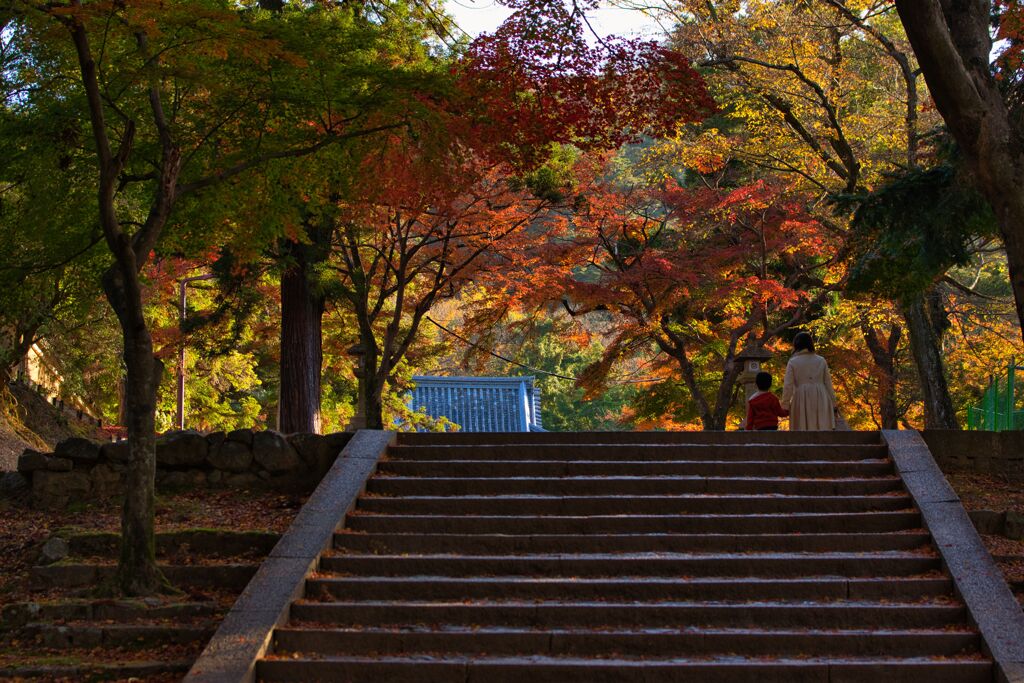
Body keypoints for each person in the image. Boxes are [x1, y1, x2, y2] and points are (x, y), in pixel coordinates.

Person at [781, 332, 838, 430]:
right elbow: (828, 383)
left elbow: (788, 386)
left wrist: (785, 405)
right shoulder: (821, 360)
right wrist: (833, 403)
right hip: (821, 396)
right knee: (821, 426)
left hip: (801, 397)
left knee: (802, 428)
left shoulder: (793, 362)